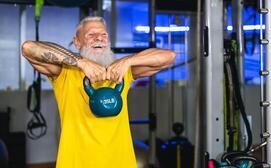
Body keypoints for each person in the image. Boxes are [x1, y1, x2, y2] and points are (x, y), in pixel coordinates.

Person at [21, 16, 176, 168]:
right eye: (91, 34)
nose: (99, 38)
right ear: (77, 42)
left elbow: (169, 57)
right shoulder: (65, 72)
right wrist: (81, 62)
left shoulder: (121, 70)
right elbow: (28, 48)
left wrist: (129, 60)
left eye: (103, 35)